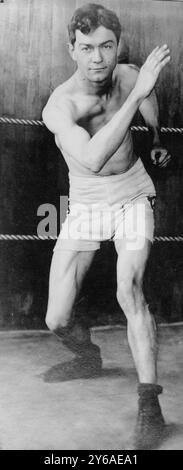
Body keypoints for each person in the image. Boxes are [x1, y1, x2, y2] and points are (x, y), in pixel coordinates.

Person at [42, 3, 171, 449]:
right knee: (56, 317)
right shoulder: (60, 106)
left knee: (128, 287)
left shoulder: (133, 76)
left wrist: (155, 141)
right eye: (87, 47)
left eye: (106, 46)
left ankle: (149, 403)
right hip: (87, 202)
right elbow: (93, 159)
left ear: (117, 46)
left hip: (134, 192)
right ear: (71, 50)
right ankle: (87, 355)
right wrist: (138, 97)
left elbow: (150, 106)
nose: (98, 58)